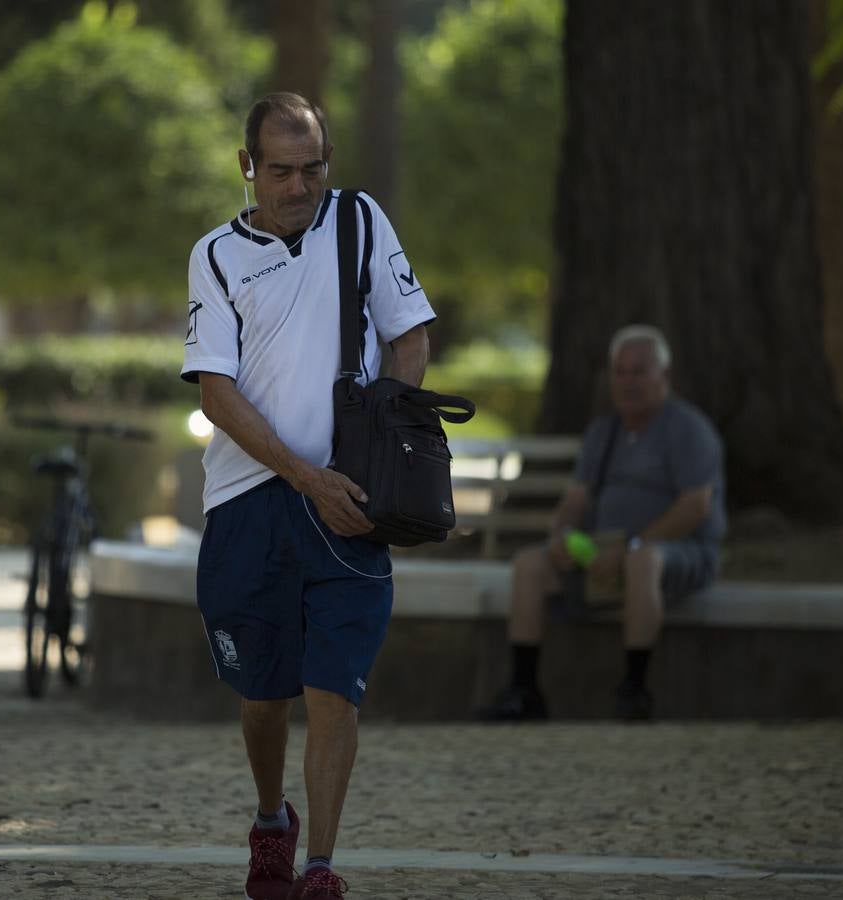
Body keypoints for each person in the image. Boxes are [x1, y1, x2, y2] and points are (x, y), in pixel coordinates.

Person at [181, 93, 434, 900]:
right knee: (263, 698)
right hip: (249, 500)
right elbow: (215, 391)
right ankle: (270, 820)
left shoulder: (361, 223)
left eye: (313, 168)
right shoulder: (215, 255)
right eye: (281, 171)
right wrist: (304, 475)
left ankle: (320, 867)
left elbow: (412, 337)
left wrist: (374, 449)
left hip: (353, 502)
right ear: (246, 167)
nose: (299, 187)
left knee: (335, 688)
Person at [480, 324, 726, 722]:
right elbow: (577, 498)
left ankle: (635, 689)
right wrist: (560, 535)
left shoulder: (688, 430)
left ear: (664, 376)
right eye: (620, 371)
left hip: (676, 555)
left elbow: (694, 507)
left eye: (639, 371)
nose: (628, 381)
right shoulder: (604, 430)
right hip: (604, 552)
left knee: (642, 561)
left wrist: (629, 547)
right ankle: (523, 691)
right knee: (530, 565)